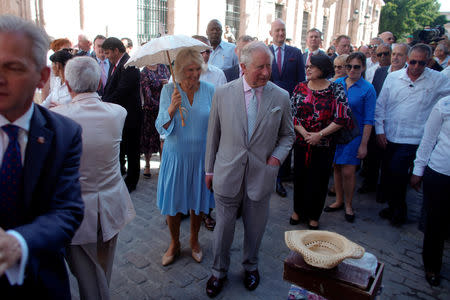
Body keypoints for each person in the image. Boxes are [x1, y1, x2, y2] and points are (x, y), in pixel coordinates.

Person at [0, 15, 84, 299]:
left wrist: (18, 243)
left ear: (43, 77)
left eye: (12, 68)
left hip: (42, 283)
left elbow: (67, 211)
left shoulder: (64, 134)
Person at [204, 41, 295, 297]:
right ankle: (218, 271)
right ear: (243, 67)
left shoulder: (281, 96)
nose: (266, 72)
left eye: (268, 66)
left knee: (255, 228)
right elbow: (213, 135)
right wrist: (209, 170)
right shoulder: (222, 93)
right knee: (223, 228)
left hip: (261, 175)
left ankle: (251, 266)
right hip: (226, 172)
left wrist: (276, 159)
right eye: (260, 67)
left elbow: (288, 135)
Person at [53, 56, 136, 300]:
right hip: (111, 203)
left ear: (67, 85)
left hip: (76, 209)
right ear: (100, 81)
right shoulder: (117, 112)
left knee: (87, 274)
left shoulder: (58, 117)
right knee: (102, 267)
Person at [375, 43, 450, 226]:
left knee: (399, 173)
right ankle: (393, 206)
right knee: (390, 175)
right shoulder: (393, 78)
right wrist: (380, 130)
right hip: (391, 134)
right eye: (413, 62)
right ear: (408, 60)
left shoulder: (438, 79)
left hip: (415, 138)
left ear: (428, 62)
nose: (416, 67)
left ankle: (400, 212)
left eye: (421, 63)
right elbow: (381, 105)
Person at [155, 49, 215, 267]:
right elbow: (160, 126)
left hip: (201, 157)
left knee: (198, 203)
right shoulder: (168, 90)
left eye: (198, 69)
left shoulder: (210, 90)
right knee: (173, 203)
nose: (194, 74)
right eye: (189, 70)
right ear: (179, 71)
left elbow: (216, 125)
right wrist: (171, 108)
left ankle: (194, 241)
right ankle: (174, 243)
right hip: (175, 157)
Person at [290, 54, 351, 229]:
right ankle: (297, 211)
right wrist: (304, 132)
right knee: (300, 176)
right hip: (302, 142)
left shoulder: (335, 89)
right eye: (307, 66)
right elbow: (291, 113)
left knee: (319, 179)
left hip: (324, 144)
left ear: (323, 69)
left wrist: (320, 135)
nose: (307, 69)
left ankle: (314, 215)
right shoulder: (300, 87)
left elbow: (342, 117)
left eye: (312, 66)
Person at [324, 52, 376, 223]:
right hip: (336, 133)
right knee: (337, 168)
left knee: (349, 170)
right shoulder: (337, 83)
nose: (352, 70)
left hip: (354, 135)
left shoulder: (368, 89)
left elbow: (369, 120)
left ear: (363, 68)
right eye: (349, 66)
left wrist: (364, 145)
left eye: (356, 67)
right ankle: (338, 200)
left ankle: (348, 205)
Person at [360, 43, 410, 200]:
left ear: (406, 57)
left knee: (390, 162)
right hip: (377, 120)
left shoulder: (409, 76)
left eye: (395, 54)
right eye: (392, 54)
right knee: (372, 155)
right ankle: (370, 184)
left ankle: (386, 191)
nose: (390, 57)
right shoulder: (380, 72)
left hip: (397, 124)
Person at [410, 95, 450, 287]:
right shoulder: (444, 105)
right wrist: (418, 170)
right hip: (441, 171)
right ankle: (432, 266)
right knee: (436, 222)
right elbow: (428, 139)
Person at [269, 18, 306, 198]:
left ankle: (280, 179)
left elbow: (301, 81)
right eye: (277, 31)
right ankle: (269, 175)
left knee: (286, 139)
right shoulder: (265, 52)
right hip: (268, 105)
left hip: (289, 106)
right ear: (271, 33)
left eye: (283, 30)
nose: (281, 34)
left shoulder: (296, 53)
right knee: (269, 139)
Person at [102, 37, 142, 193]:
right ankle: (123, 172)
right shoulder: (116, 64)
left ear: (116, 51)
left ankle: (132, 181)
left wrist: (103, 102)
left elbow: (122, 91)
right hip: (120, 116)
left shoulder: (129, 65)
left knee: (132, 150)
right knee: (122, 146)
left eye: (107, 52)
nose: (106, 56)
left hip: (130, 116)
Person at [140, 64, 170, 179]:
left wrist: (167, 84)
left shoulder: (163, 68)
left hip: (164, 109)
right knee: (148, 139)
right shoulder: (144, 72)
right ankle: (147, 165)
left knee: (163, 138)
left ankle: (162, 165)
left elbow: (171, 86)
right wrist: (160, 106)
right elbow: (147, 95)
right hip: (150, 111)